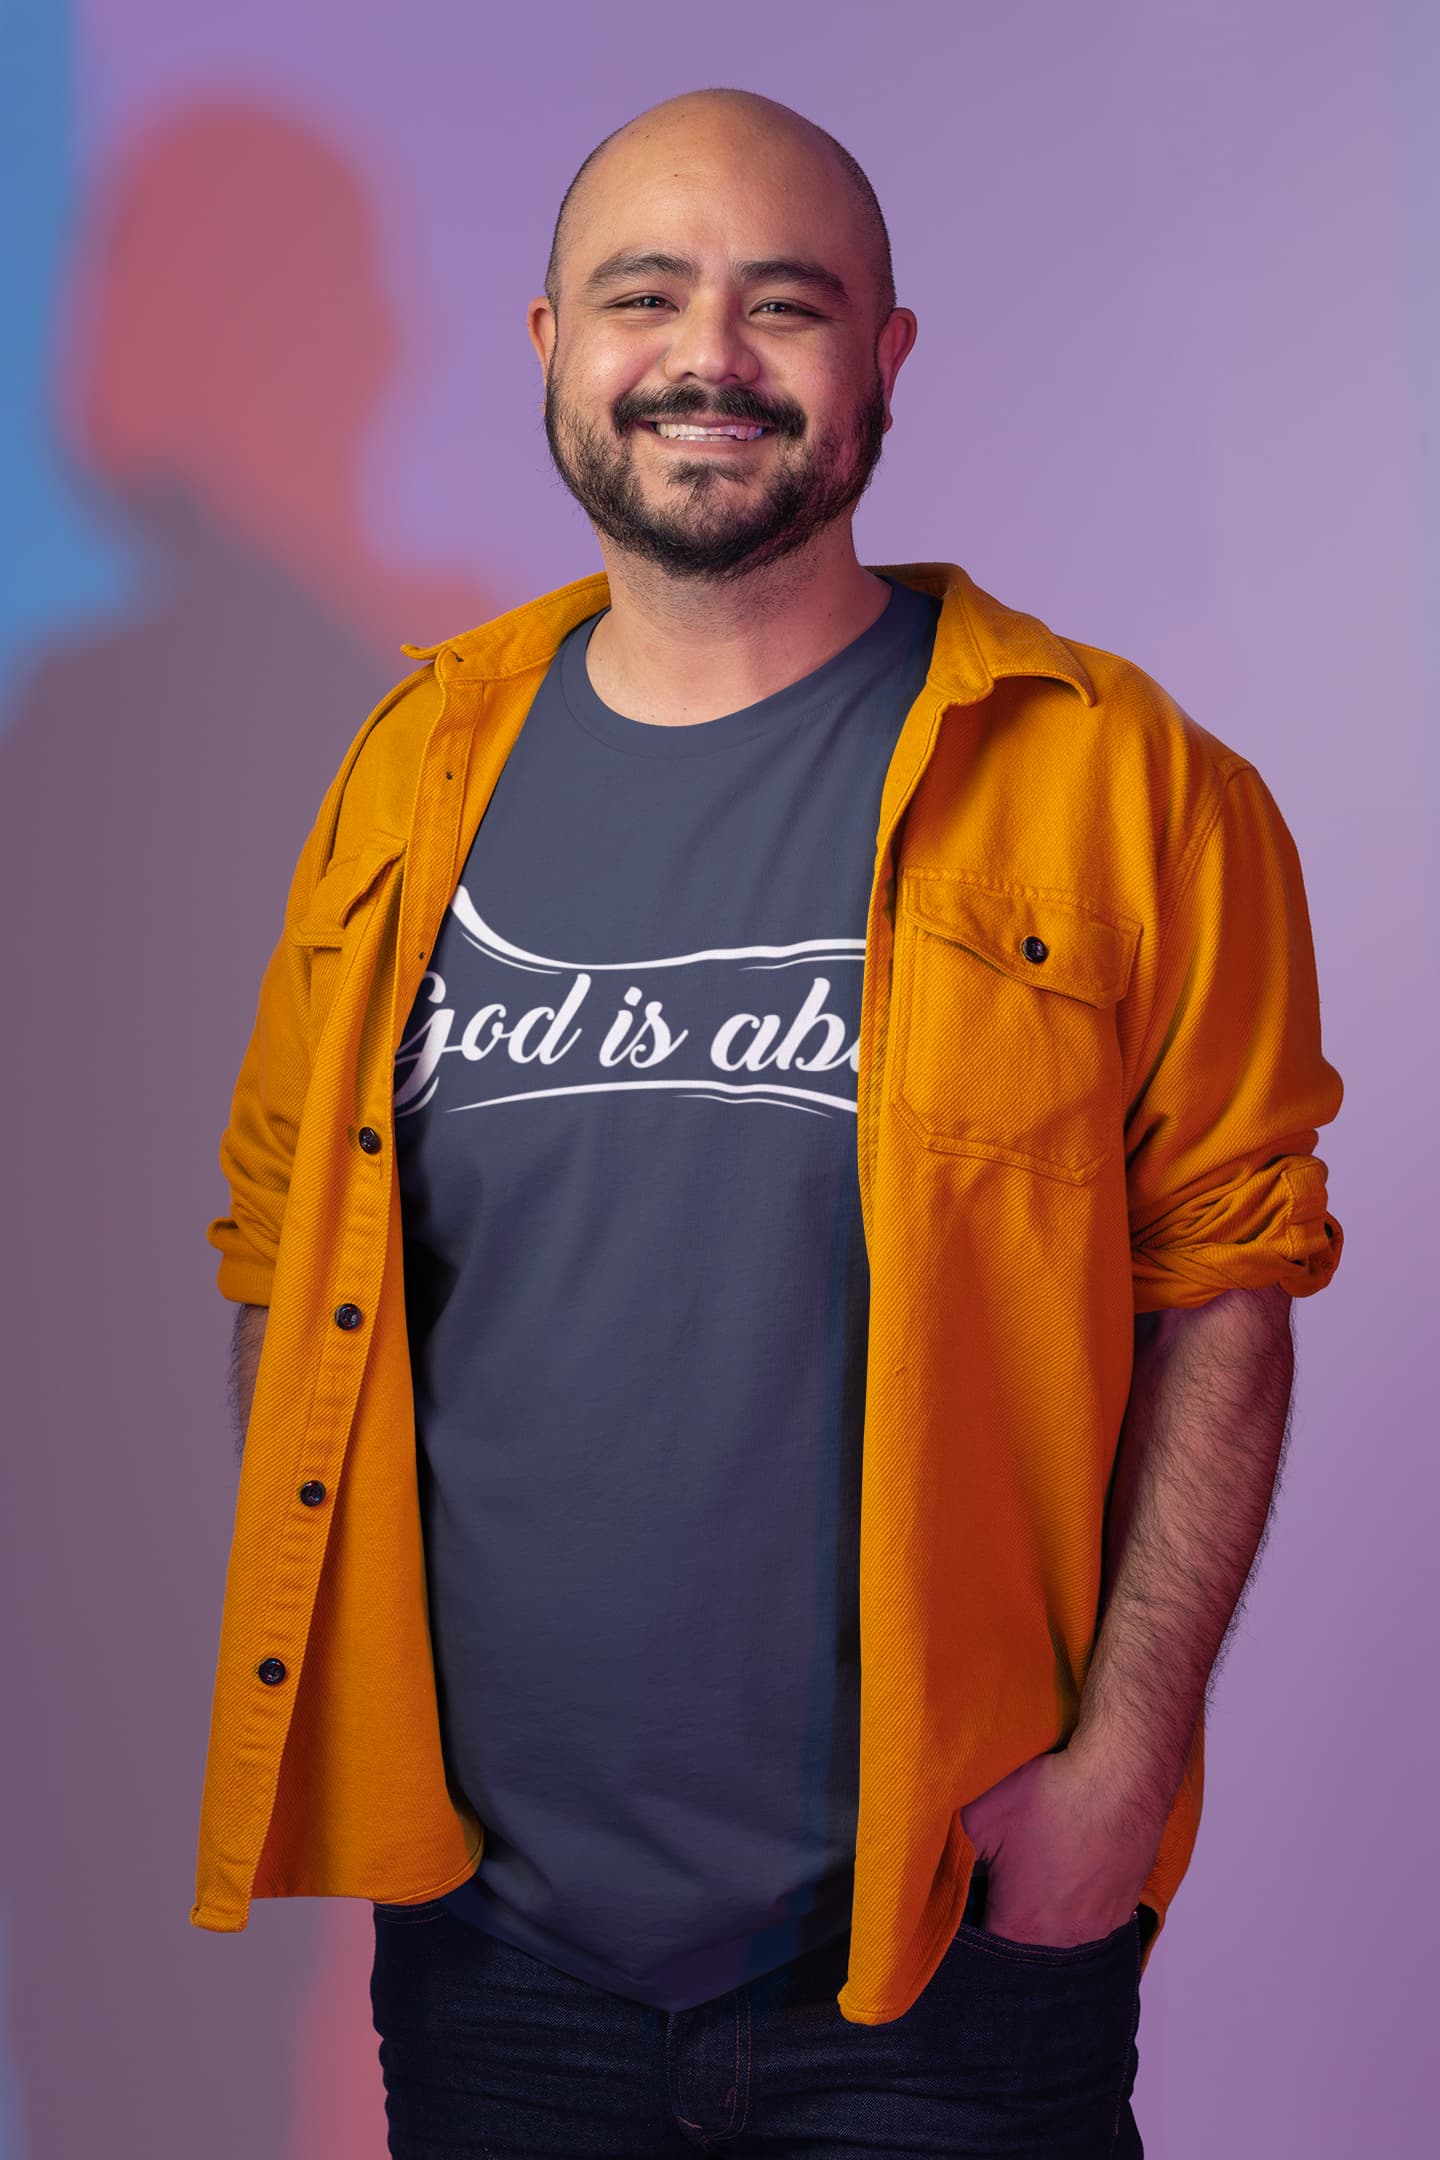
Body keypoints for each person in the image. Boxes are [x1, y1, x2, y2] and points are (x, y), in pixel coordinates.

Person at [194, 86, 1344, 2158]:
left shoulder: (1128, 787)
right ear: (553, 342)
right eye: (646, 296)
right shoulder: (404, 777)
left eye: (784, 304)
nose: (708, 356)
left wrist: (1119, 1775)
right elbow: (285, 1255)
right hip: (496, 1962)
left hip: (946, 1952)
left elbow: (1227, 1295)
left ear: (882, 358)